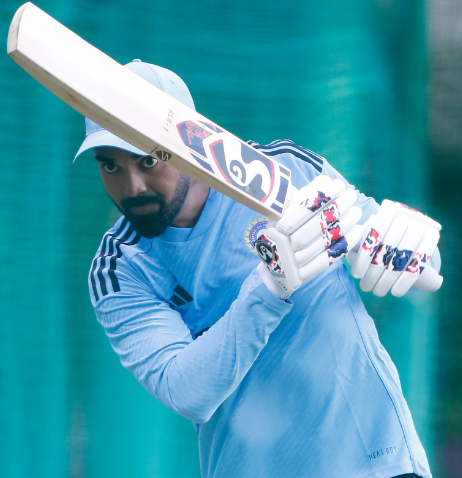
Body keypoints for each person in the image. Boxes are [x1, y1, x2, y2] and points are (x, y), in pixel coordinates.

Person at [74, 59, 441, 478]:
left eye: (147, 161)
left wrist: (409, 242)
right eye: (110, 165)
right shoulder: (120, 268)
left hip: (376, 460)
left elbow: (418, 265)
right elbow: (187, 391)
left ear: (187, 138)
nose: (132, 187)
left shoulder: (282, 171)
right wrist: (271, 282)